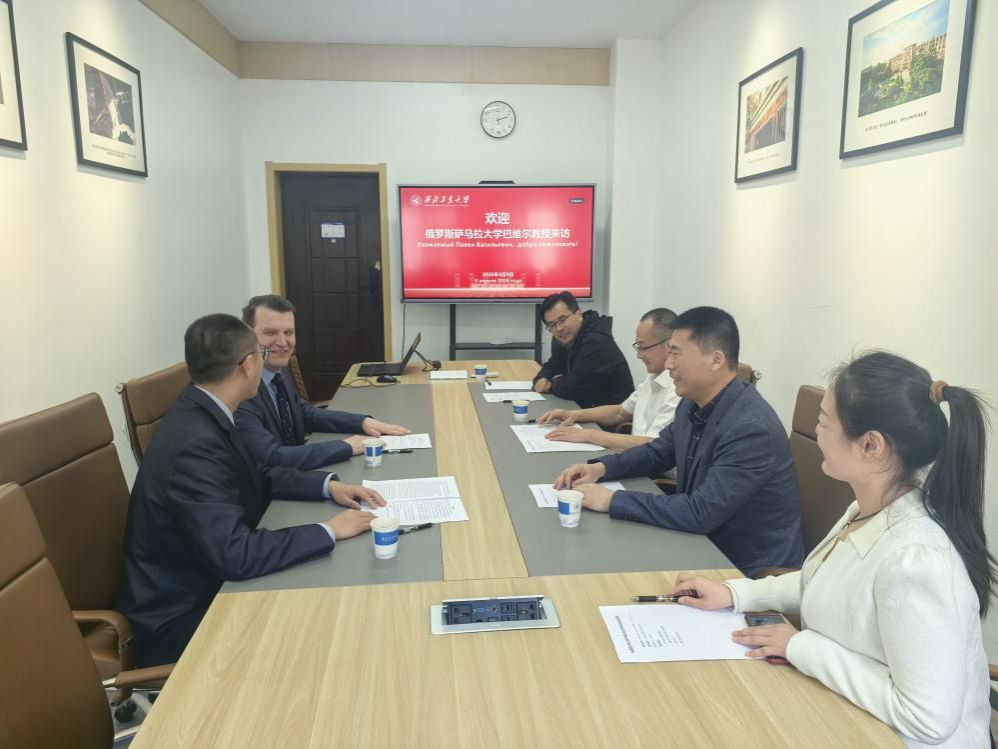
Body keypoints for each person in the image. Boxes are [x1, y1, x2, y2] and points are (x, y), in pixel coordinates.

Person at [669, 352, 993, 747]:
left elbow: (927, 718)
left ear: (871, 445)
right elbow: (826, 584)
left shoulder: (918, 561)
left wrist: (800, 645)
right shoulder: (867, 509)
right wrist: (735, 594)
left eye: (824, 421)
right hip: (848, 715)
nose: (817, 432)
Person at [117, 314, 385, 666]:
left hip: (207, 576)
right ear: (247, 365)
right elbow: (236, 554)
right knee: (335, 631)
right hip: (184, 614)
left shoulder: (204, 409)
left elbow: (257, 474)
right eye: (261, 352)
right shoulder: (195, 443)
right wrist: (328, 530)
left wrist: (330, 487)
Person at [554, 306, 803, 577]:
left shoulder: (751, 429)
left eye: (676, 353)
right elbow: (657, 452)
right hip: (701, 542)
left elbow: (701, 512)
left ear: (715, 360)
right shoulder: (692, 403)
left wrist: (613, 501)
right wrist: (600, 468)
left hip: (744, 567)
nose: (669, 364)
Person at [235, 294, 410, 470]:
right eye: (270, 333)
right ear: (247, 337)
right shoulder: (240, 392)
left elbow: (303, 414)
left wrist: (362, 422)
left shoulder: (278, 371)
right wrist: (347, 446)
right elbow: (273, 458)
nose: (282, 342)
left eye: (288, 332)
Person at [537, 307, 680, 451]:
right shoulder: (653, 377)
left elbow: (653, 445)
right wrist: (573, 414)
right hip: (633, 457)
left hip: (647, 462)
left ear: (669, 345)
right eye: (638, 347)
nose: (638, 355)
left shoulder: (678, 389)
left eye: (643, 347)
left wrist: (587, 435)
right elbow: (620, 412)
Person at [532, 291, 633, 409]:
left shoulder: (596, 342)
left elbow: (572, 389)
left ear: (579, 314)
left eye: (563, 319)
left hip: (611, 416)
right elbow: (552, 366)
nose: (559, 328)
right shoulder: (564, 337)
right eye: (552, 325)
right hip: (584, 407)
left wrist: (550, 384)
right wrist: (541, 379)